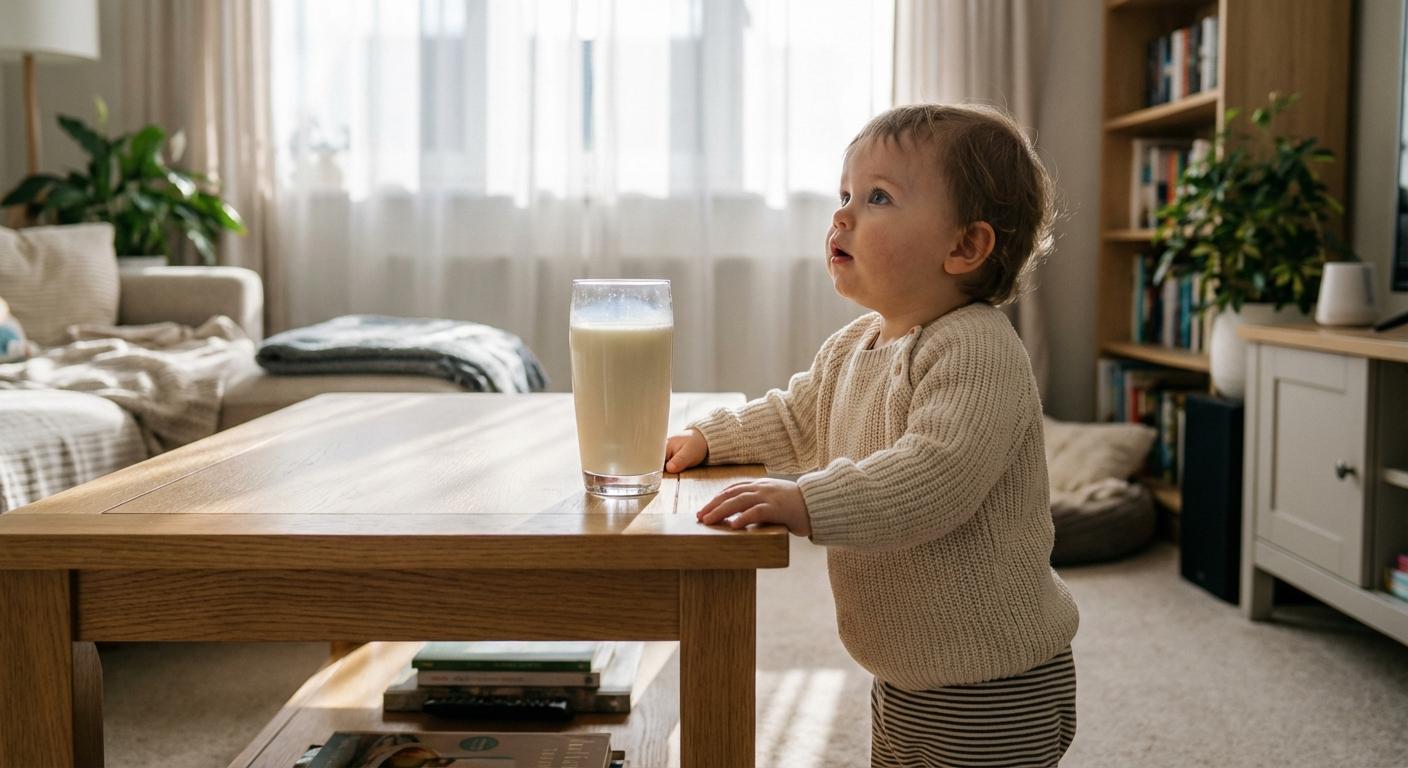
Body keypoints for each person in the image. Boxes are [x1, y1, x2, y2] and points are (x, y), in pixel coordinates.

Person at [664, 103, 1080, 767]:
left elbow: (933, 477)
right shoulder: (857, 343)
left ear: (965, 246)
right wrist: (712, 438)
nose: (843, 215)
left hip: (991, 684)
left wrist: (806, 500)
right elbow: (799, 416)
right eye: (845, 195)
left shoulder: (977, 348)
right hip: (908, 669)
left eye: (878, 197)